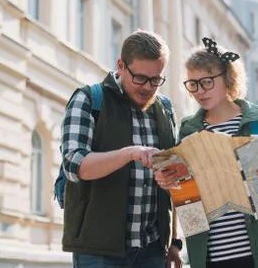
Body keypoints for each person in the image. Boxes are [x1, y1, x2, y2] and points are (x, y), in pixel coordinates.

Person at [155, 37, 258, 268]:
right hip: (210, 257)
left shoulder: (257, 121)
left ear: (228, 78)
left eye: (207, 82)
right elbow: (187, 200)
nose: (199, 91)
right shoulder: (189, 129)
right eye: (192, 84)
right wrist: (171, 181)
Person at [60, 30, 182, 268]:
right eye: (140, 78)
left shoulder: (165, 108)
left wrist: (174, 243)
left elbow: (178, 180)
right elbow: (75, 165)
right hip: (98, 253)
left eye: (156, 80)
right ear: (121, 65)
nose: (148, 87)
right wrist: (130, 153)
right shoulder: (88, 99)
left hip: (154, 251)